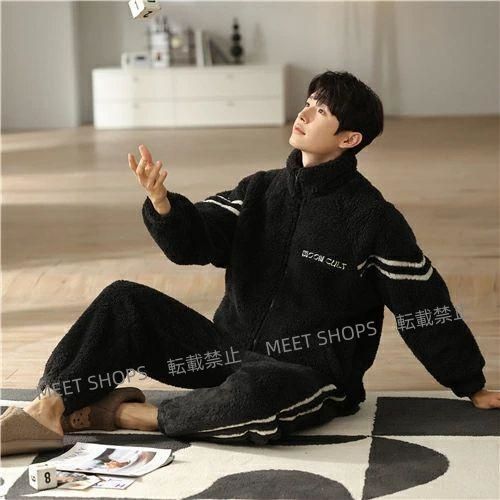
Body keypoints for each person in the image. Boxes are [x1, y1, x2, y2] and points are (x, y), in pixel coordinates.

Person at [2, 70, 498, 457]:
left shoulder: (373, 220)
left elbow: (422, 301)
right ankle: (48, 409)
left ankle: (126, 416)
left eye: (321, 110)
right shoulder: (260, 190)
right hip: (223, 354)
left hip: (305, 374)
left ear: (349, 138)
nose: (304, 114)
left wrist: (470, 383)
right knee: (123, 300)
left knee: (256, 395)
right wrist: (163, 204)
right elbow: (196, 241)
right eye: (308, 102)